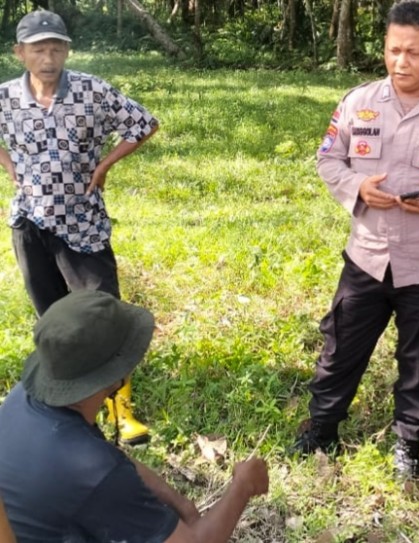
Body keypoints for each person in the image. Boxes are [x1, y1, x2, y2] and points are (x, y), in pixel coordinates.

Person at [291, 0, 419, 479]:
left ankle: (409, 444)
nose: (401, 62)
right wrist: (356, 188)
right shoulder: (356, 102)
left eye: (414, 53)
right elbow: (328, 159)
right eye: (393, 50)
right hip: (366, 256)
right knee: (341, 347)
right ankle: (321, 429)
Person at [0, 10, 160, 443]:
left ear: (67, 50)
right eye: (38, 49)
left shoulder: (92, 90)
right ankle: (60, 402)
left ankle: (121, 410)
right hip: (29, 221)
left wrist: (106, 164)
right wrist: (8, 163)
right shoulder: (6, 97)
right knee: (52, 317)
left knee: (102, 315)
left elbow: (144, 123)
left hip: (82, 221)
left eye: (56, 48)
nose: (48, 57)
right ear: (21, 53)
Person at [0, 290, 269, 543]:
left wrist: (180, 503)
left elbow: (109, 461)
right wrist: (243, 485)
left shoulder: (24, 398)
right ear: (113, 374)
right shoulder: (96, 474)